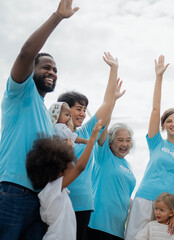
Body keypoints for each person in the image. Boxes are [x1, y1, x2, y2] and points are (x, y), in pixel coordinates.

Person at [0, 0, 78, 238]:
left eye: (55, 70)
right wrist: (57, 17)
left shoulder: (47, 118)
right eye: (46, 67)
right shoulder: (20, 93)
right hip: (12, 191)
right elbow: (26, 52)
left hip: (40, 199)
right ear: (31, 69)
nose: (52, 72)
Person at [125, 55, 174, 240]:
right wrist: (159, 77)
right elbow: (155, 109)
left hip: (170, 207)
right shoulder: (157, 142)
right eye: (169, 121)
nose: (173, 124)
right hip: (144, 199)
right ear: (163, 125)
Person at [57, 52, 123, 240]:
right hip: (56, 203)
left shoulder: (86, 132)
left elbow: (107, 104)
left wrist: (113, 69)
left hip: (82, 205)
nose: (83, 114)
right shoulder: (52, 133)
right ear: (64, 109)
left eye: (85, 110)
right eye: (79, 109)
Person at [25, 121, 101, 240]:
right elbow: (80, 167)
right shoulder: (52, 189)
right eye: (69, 159)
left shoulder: (54, 190)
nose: (73, 160)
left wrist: (69, 145)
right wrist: (91, 140)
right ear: (59, 169)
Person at [87, 123, 136, 240]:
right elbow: (104, 123)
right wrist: (110, 104)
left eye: (128, 140)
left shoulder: (127, 166)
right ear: (110, 142)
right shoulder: (103, 156)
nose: (125, 144)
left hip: (118, 228)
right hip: (98, 225)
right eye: (120, 140)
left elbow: (122, 194)